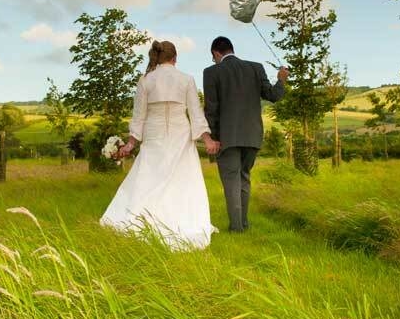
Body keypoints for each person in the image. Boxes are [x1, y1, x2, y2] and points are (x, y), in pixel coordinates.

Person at [99, 40, 218, 250]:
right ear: (175, 58)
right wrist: (207, 139)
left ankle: (141, 219)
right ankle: (182, 220)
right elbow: (196, 113)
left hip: (153, 134)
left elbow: (139, 116)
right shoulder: (186, 79)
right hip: (180, 134)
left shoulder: (145, 81)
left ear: (157, 57)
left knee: (149, 175)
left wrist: (131, 143)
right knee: (182, 179)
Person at [202, 36, 288, 232]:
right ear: (231, 49)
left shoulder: (211, 72)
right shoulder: (256, 68)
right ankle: (244, 224)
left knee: (231, 180)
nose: (214, 61)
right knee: (244, 178)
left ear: (216, 53)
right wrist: (281, 80)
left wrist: (213, 137)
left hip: (227, 137)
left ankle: (236, 228)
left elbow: (211, 109)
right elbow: (273, 96)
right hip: (252, 136)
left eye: (213, 57)